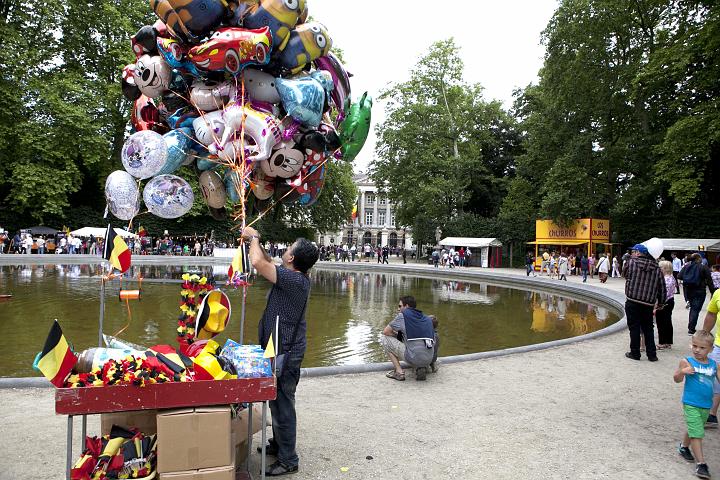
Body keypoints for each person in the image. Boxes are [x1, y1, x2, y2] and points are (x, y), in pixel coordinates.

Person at [242, 226, 318, 477]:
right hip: (279, 347)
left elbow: (256, 262)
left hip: (286, 350)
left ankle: (289, 459)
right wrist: (257, 240)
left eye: (289, 248)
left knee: (283, 403)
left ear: (292, 258)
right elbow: (264, 259)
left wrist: (253, 238)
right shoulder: (291, 274)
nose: (285, 250)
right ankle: (279, 444)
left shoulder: (294, 279)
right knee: (276, 399)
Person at [674, 330, 719, 479]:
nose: (697, 350)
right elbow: (676, 379)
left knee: (695, 427)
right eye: (694, 346)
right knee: (698, 432)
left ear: (711, 349)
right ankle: (701, 464)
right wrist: (682, 372)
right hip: (691, 403)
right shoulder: (687, 361)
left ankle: (683, 447)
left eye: (702, 348)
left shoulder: (714, 365)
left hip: (706, 404)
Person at [622, 244, 666, 361]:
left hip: (632, 300)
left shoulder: (631, 263)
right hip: (648, 304)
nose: (632, 254)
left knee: (634, 327)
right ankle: (652, 355)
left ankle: (635, 353)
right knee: (648, 328)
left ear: (637, 252)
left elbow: (624, 275)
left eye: (633, 251)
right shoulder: (657, 269)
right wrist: (661, 303)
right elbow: (662, 288)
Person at [380, 296, 436, 381]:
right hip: (429, 359)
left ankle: (399, 372)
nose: (398, 309)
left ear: (406, 306)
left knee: (385, 338)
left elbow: (386, 332)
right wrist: (399, 336)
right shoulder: (427, 319)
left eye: (400, 306)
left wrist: (396, 336)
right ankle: (421, 367)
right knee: (416, 346)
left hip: (413, 357)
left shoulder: (402, 316)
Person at [679, 253, 716, 335]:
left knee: (693, 309)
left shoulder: (686, 266)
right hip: (700, 291)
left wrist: (688, 278)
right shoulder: (703, 267)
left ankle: (691, 327)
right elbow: (709, 280)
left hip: (688, 291)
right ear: (699, 258)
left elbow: (679, 276)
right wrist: (713, 292)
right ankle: (691, 329)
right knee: (695, 310)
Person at [701, 287, 720, 429]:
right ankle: (712, 414)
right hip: (719, 345)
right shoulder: (718, 292)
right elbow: (712, 314)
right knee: (714, 379)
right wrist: (704, 337)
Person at [656, 260, 677, 350]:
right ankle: (668, 342)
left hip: (665, 302)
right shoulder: (672, 278)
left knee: (661, 322)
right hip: (670, 301)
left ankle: (662, 342)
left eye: (660, 268)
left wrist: (658, 304)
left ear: (665, 268)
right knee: (668, 322)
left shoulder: (666, 279)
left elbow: (664, 293)